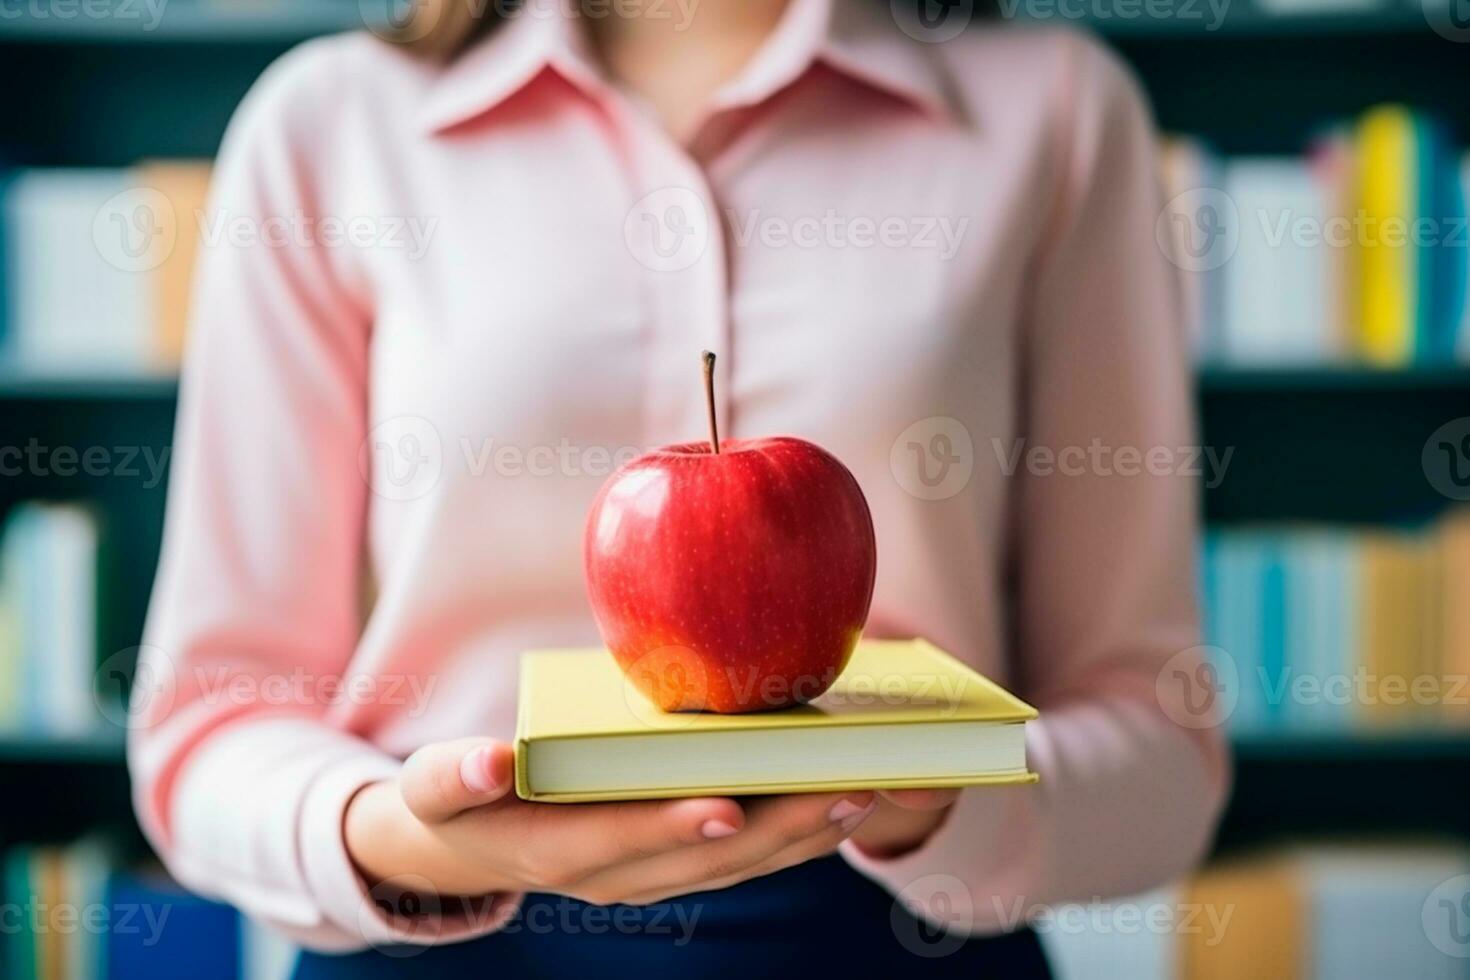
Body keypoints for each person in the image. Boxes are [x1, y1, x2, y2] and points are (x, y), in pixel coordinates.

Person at [127, 0, 1231, 974]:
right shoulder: (331, 125)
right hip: (443, 941)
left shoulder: (1056, 109)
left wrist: (950, 802)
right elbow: (208, 721)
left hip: (889, 936)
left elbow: (1159, 740)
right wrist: (395, 833)